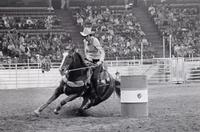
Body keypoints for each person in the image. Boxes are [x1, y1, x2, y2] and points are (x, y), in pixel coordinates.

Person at [80, 27, 105, 100]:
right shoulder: (85, 41)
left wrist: (100, 61)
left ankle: (97, 94)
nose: (85, 38)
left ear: (89, 35)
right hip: (89, 61)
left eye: (86, 36)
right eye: (84, 36)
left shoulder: (95, 41)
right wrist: (87, 59)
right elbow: (86, 52)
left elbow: (102, 52)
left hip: (97, 61)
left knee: (94, 78)